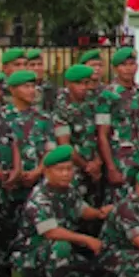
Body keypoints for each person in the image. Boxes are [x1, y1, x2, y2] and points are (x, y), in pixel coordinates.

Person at [9, 145, 110, 277]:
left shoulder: (68, 190)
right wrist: (87, 239)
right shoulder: (40, 197)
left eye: (69, 169)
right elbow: (51, 232)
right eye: (60, 170)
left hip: (54, 249)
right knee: (61, 245)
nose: (66, 174)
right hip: (32, 252)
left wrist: (100, 213)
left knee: (93, 271)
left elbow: (82, 209)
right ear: (47, 171)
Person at [0, 69, 56, 277]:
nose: (32, 91)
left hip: (36, 183)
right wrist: (12, 172)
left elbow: (50, 149)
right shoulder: (2, 117)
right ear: (12, 90)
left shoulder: (43, 118)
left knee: (34, 230)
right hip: (8, 184)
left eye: (33, 87)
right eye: (26, 87)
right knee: (3, 231)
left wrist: (38, 171)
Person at [95, 47, 139, 202]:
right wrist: (111, 167)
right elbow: (102, 135)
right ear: (115, 68)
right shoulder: (107, 95)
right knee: (120, 206)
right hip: (120, 160)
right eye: (123, 65)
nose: (128, 69)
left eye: (131, 64)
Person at [52, 65, 104, 211]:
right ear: (68, 84)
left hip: (97, 168)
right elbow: (65, 145)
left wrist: (98, 161)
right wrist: (87, 166)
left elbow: (102, 134)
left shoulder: (93, 103)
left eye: (86, 83)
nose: (83, 87)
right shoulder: (61, 109)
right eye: (78, 83)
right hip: (75, 170)